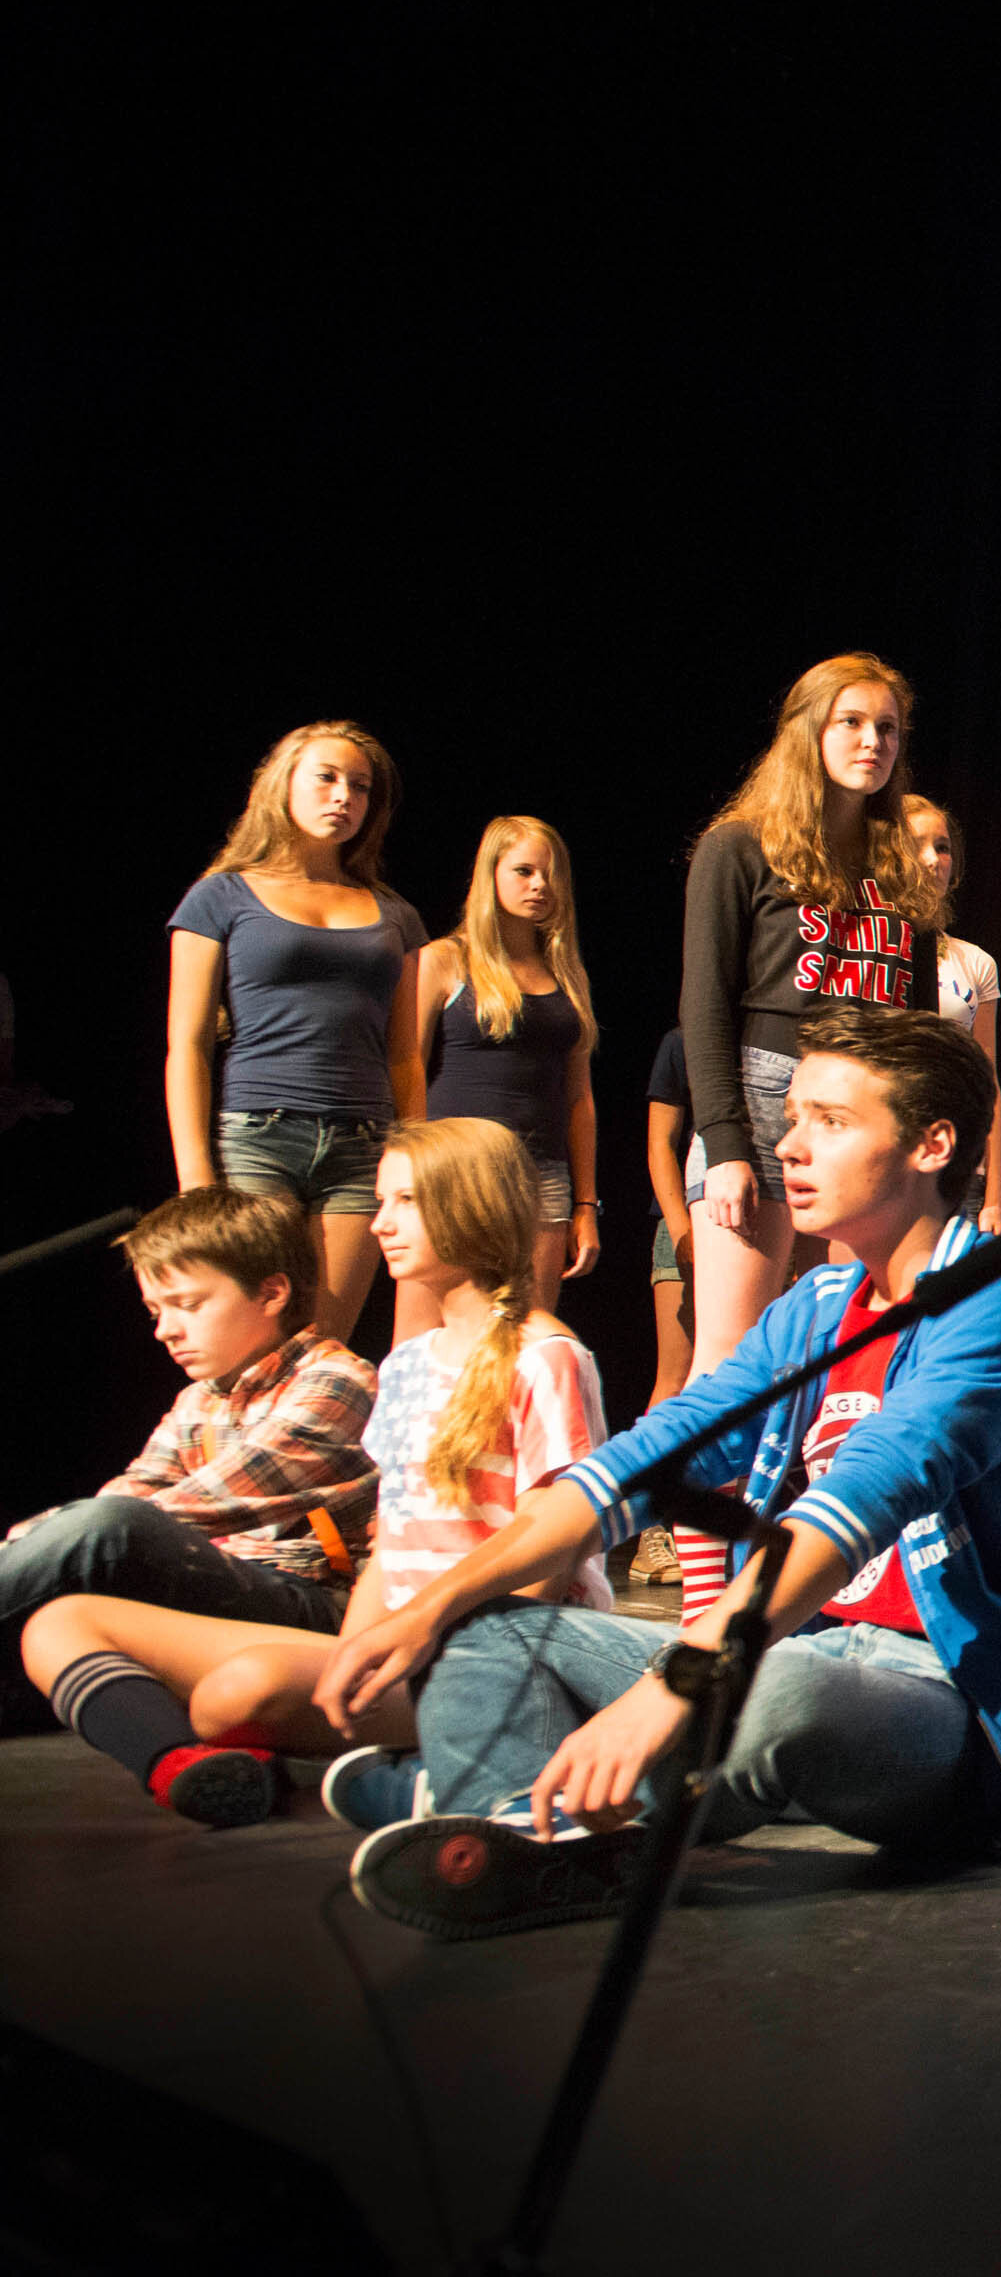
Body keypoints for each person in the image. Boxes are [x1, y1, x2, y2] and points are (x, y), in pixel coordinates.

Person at [321, 1008, 1001, 1933]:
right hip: (803, 1648)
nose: (791, 1145)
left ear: (932, 1144)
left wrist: (674, 1683)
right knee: (487, 1627)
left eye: (831, 1121)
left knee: (782, 1695)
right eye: (794, 1116)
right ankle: (536, 1841)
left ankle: (485, 1795)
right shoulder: (816, 1304)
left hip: (962, 1708)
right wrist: (427, 1607)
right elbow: (644, 1459)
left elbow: (859, 1500)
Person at [21, 1120, 604, 1826]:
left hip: (496, 1655)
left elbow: (554, 1544)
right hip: (399, 1644)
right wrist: (353, 1655)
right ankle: (216, 1762)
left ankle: (454, 1760)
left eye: (405, 1201)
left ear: (471, 1206)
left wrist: (468, 1657)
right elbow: (390, 1546)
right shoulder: (408, 1364)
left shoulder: (545, 1356)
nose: (380, 1224)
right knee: (59, 1621)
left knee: (238, 1692)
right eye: (380, 1202)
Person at [0, 1191, 376, 1740]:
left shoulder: (337, 1382)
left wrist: (55, 1539)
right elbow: (136, 1487)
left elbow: (189, 1507)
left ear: (271, 1293)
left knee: (116, 1530)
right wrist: (42, 1543)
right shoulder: (199, 1399)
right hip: (224, 1589)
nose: (165, 1330)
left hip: (317, 1602)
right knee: (52, 1618)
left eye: (189, 1305)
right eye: (157, 1311)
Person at [680, 654, 945, 1383]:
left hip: (874, 1110)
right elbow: (704, 1007)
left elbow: (920, 1024)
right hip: (767, 1096)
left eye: (887, 728)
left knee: (854, 1358)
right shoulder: (740, 845)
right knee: (731, 1361)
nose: (872, 742)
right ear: (808, 732)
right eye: (851, 722)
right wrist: (725, 1145)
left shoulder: (902, 864)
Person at [164, 722, 426, 1340]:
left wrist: (416, 1155)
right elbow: (188, 1046)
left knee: (323, 1343)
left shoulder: (395, 914)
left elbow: (405, 1055)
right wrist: (196, 1181)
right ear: (283, 785)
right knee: (259, 1338)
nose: (344, 797)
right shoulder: (221, 897)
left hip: (364, 1143)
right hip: (260, 1135)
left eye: (360, 787)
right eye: (326, 778)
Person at [407, 817, 601, 1335]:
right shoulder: (445, 960)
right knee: (425, 1341)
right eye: (524, 871)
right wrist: (411, 1169)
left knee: (521, 1339)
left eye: (551, 874)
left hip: (542, 1175)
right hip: (454, 1172)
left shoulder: (566, 973)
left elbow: (579, 1097)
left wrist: (586, 1204)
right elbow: (405, 1068)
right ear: (489, 874)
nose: (540, 885)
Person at [903, 795, 1001, 1232]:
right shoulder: (863, 951)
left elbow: (987, 1082)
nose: (933, 860)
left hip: (954, 1162)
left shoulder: (975, 962)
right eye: (916, 846)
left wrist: (994, 1198)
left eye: (942, 847)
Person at [641, 1026, 698, 1411]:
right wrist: (681, 1232)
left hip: (766, 1215)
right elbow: (660, 1143)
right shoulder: (682, 1041)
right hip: (688, 1216)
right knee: (675, 1380)